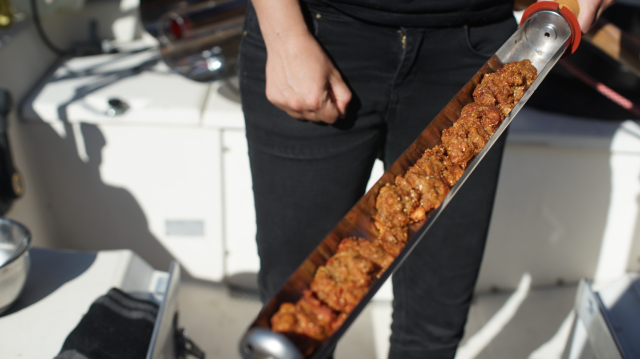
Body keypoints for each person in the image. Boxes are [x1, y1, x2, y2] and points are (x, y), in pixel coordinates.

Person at [238, 0, 614, 357]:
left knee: (434, 319)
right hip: (315, 31)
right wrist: (285, 36)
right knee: (293, 314)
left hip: (472, 44)